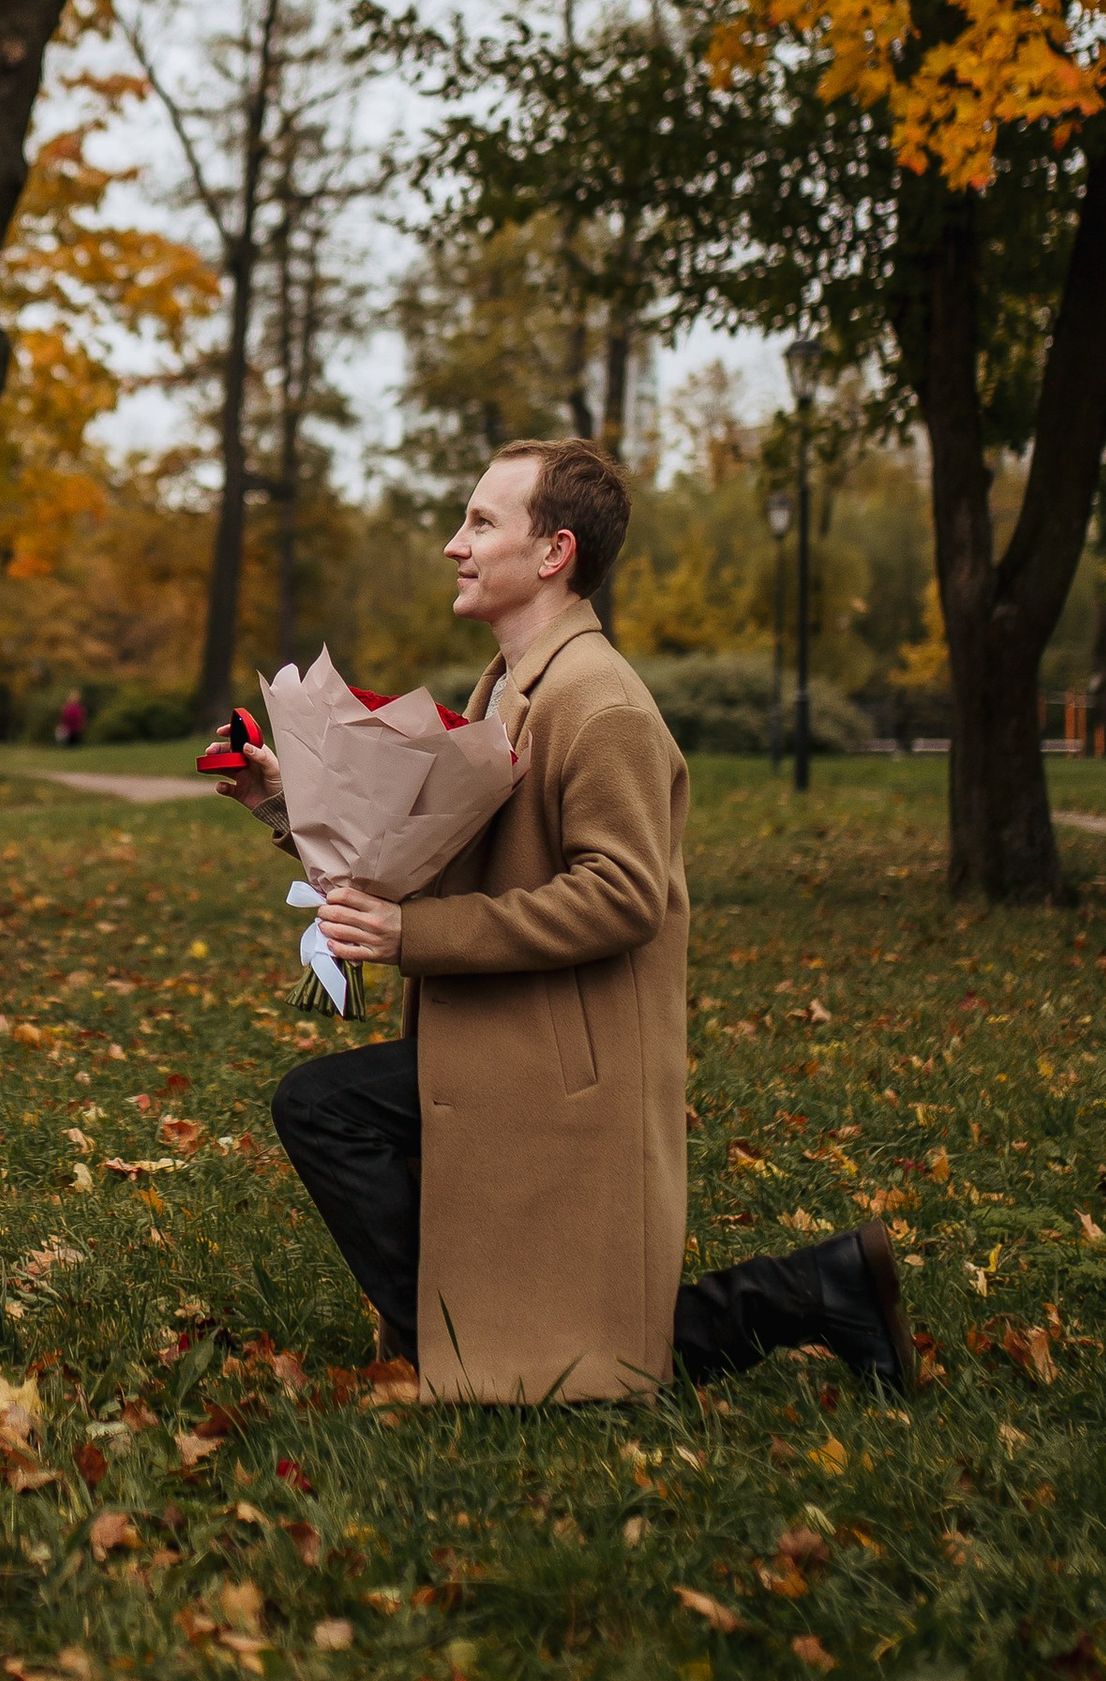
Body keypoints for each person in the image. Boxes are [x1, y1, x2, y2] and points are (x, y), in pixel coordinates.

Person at [215, 440, 921, 1404]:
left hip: (565, 1057)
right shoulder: (511, 685)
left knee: (323, 1107)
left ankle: (454, 1342)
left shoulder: (601, 702)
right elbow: (439, 855)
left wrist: (414, 938)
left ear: (554, 552)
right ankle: (817, 1289)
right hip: (516, 1029)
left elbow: (625, 893)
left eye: (480, 522)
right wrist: (286, 803)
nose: (455, 543)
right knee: (350, 1126)